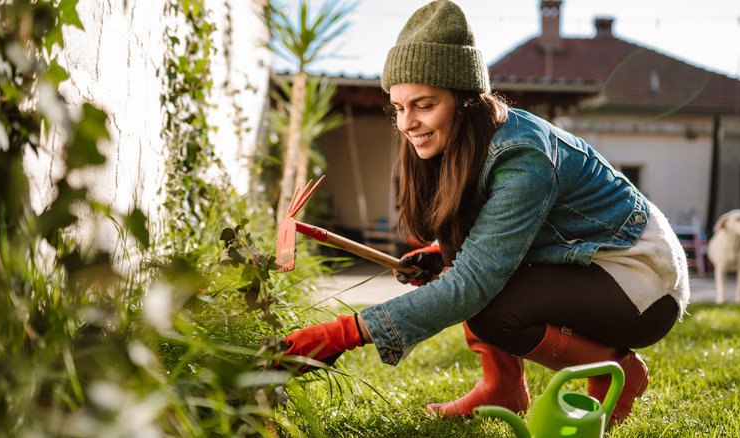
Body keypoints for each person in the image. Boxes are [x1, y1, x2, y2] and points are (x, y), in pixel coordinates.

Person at [281, 0, 690, 426]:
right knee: (462, 258)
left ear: (464, 99)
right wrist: (441, 252)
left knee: (489, 307)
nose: (407, 123)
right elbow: (487, 242)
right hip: (587, 263)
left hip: (640, 280)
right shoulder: (462, 144)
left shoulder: (523, 157)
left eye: (423, 105)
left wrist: (340, 334)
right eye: (398, 108)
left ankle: (614, 370)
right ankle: (503, 388)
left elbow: (474, 283)